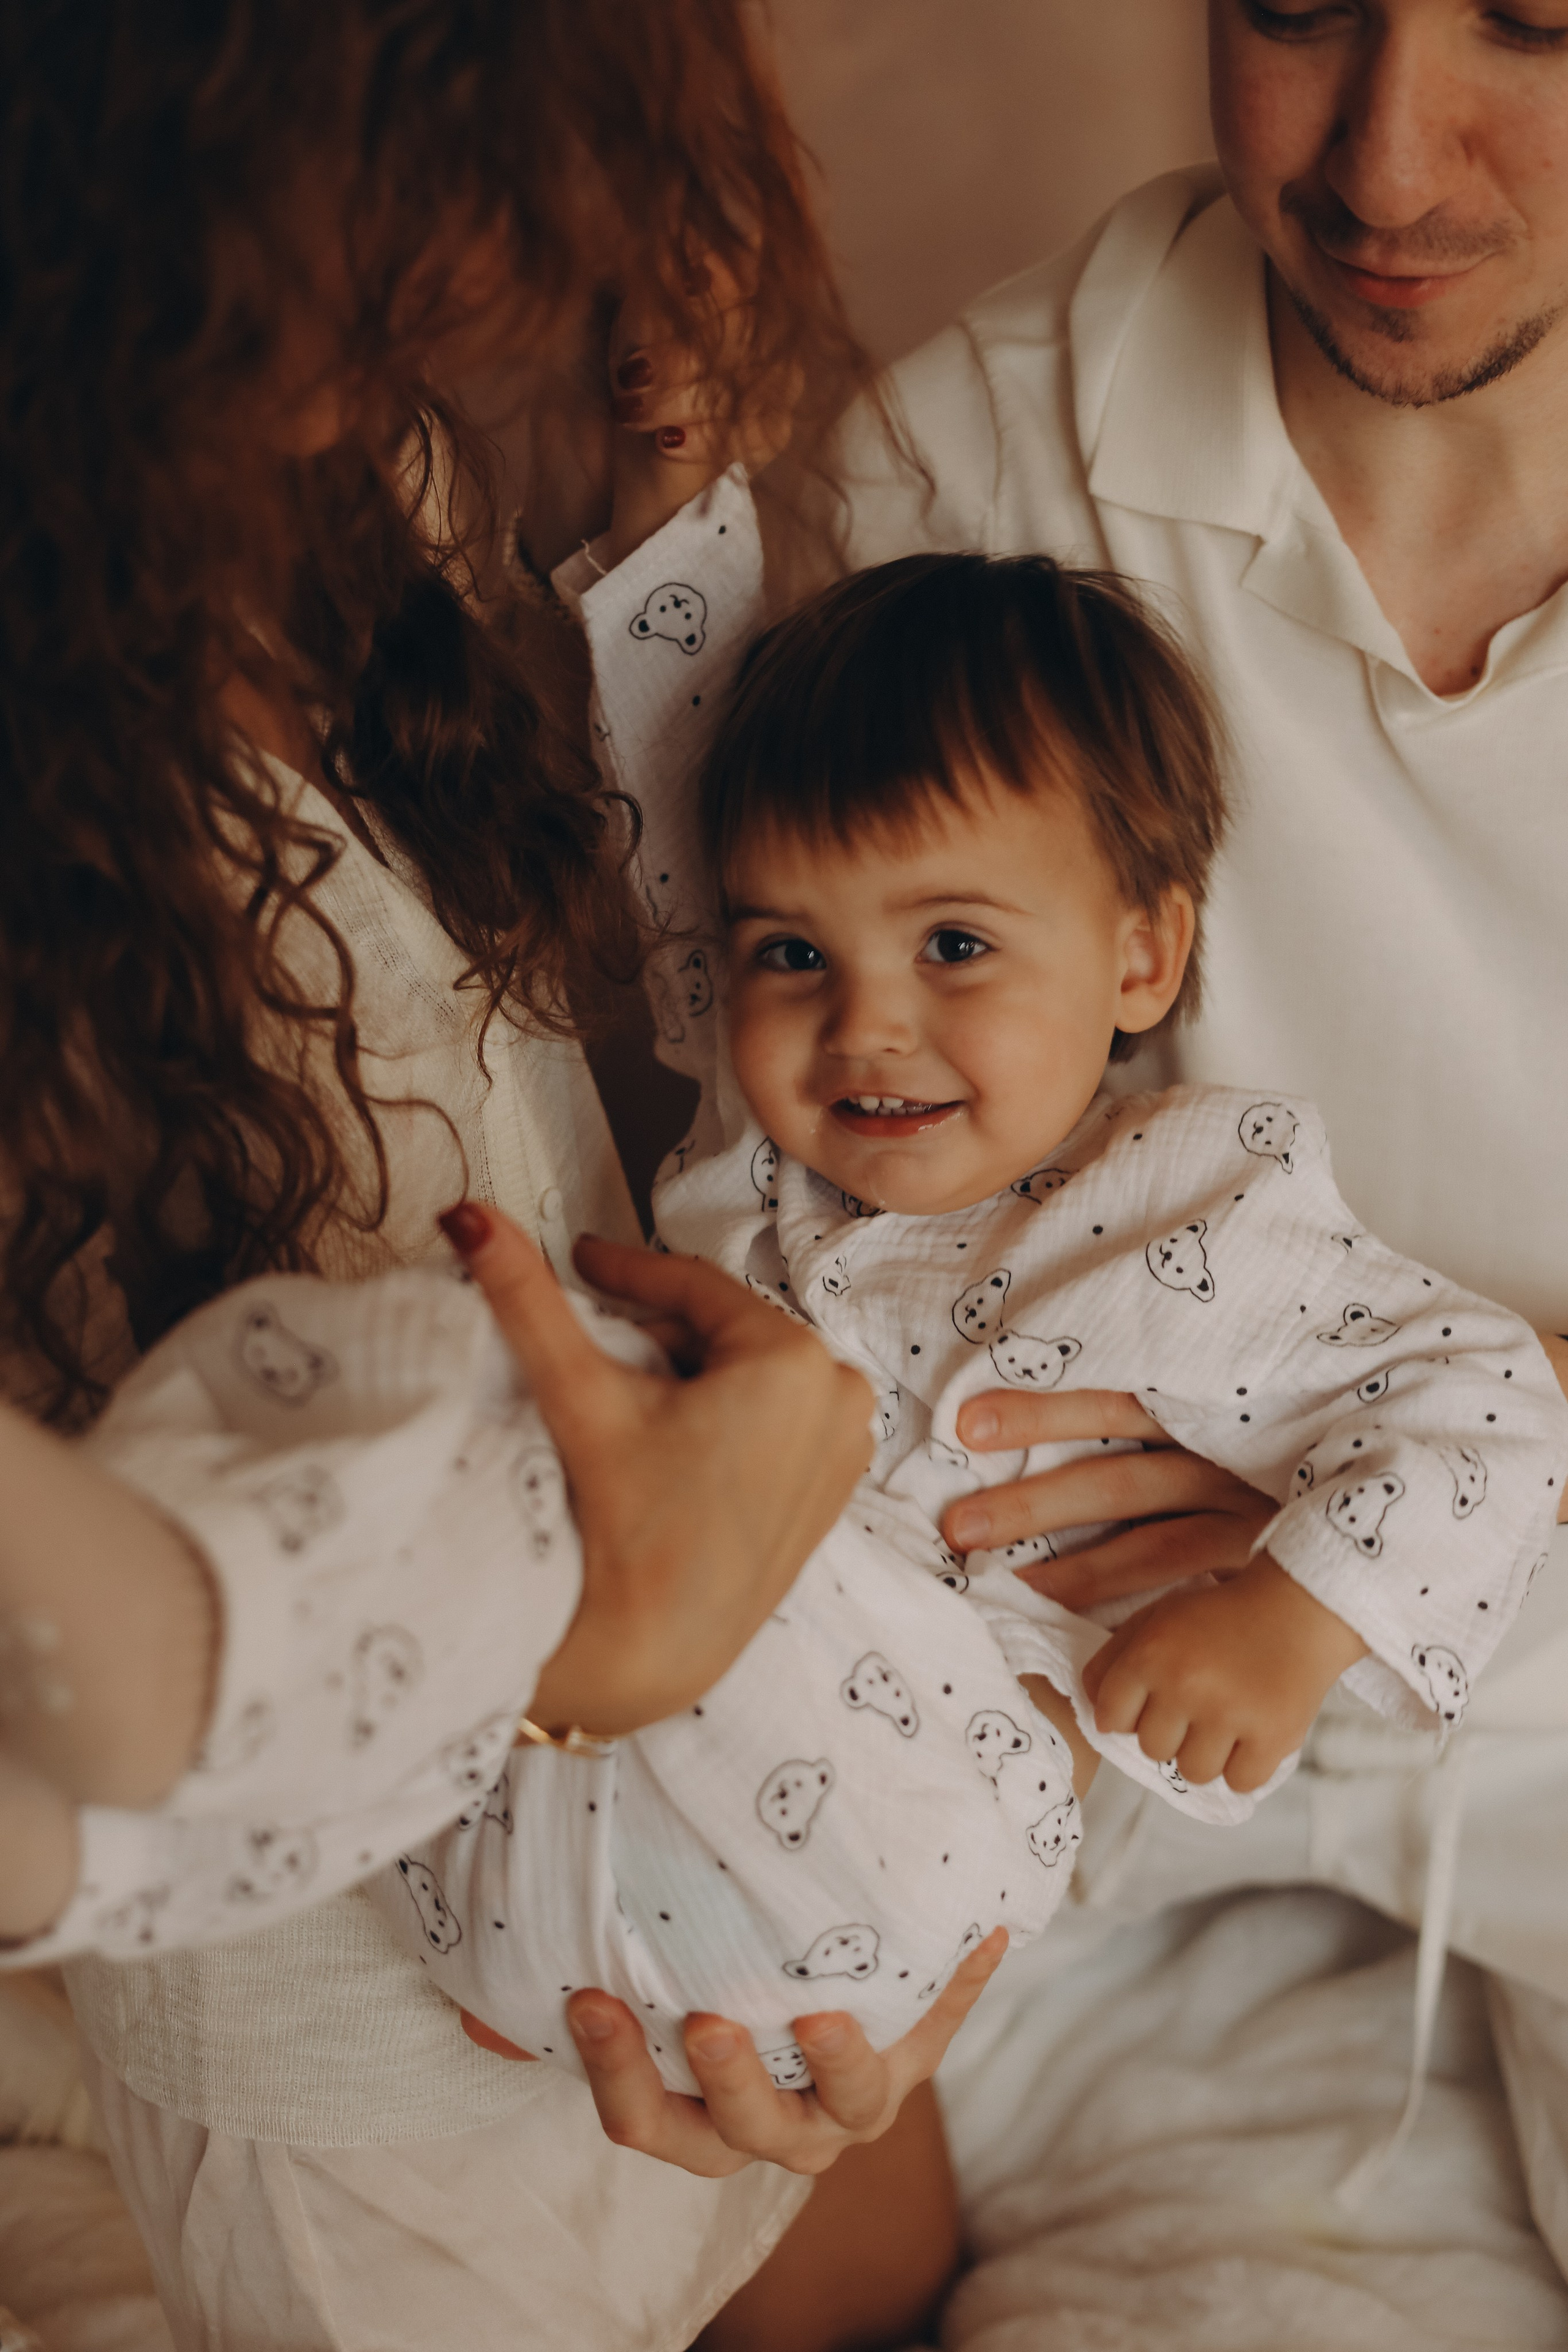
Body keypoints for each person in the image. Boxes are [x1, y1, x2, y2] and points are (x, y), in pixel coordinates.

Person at [522, 0, 1568, 2299]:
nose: (1389, 167)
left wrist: (1320, 1533)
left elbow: (1470, 1413)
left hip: (1491, 1656)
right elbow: (720, 885)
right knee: (728, 2093)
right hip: (1035, 1751)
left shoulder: (1229, 1208)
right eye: (1295, 6)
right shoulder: (980, 456)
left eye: (1538, 21)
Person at [0, 4, 1001, 2345]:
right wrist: (571, 1656)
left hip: (680, 1782)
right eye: (401, 164)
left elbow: (651, 997)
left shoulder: (339, 499)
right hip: (346, 2020)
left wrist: (649, 551)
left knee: (872, 2258)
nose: (471, 263)